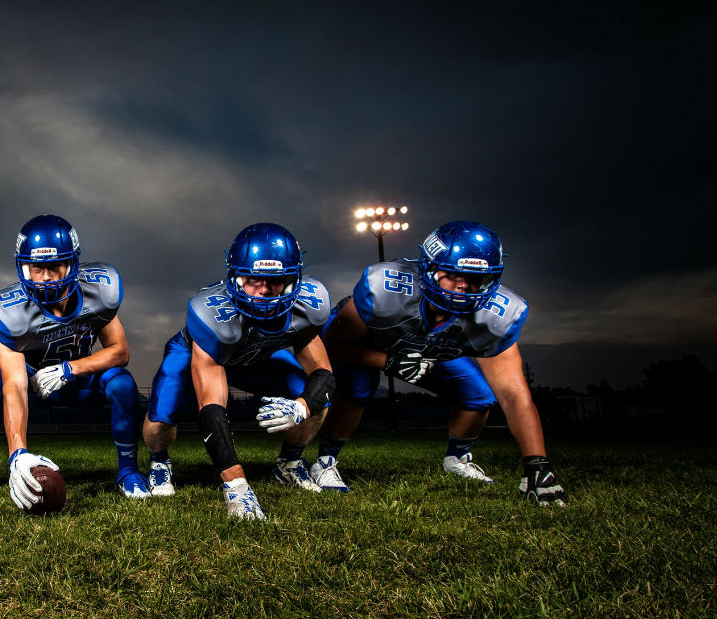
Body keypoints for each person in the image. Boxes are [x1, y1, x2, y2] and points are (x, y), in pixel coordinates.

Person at [304, 220, 567, 505]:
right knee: (358, 387)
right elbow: (333, 347)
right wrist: (388, 361)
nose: (464, 285)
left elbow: (514, 394)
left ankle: (457, 458)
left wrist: (537, 464)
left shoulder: (496, 317)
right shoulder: (385, 290)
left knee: (479, 396)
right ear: (430, 267)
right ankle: (326, 461)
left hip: (432, 351)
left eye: (476, 278)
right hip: (370, 345)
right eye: (454, 274)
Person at [141, 223, 337, 521]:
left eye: (276, 281)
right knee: (161, 419)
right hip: (199, 351)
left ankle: (289, 463)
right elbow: (211, 408)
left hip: (256, 357)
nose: (263, 291)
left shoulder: (309, 305)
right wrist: (237, 486)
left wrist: (302, 406)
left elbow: (324, 374)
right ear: (234, 277)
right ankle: (159, 462)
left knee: (317, 399)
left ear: (295, 279)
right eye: (252, 280)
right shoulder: (210, 314)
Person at [0, 214, 150, 510]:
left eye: (54, 267)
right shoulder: (9, 311)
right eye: (37, 268)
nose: (45, 277)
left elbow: (119, 351)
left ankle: (128, 471)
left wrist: (71, 369)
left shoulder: (96, 293)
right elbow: (14, 382)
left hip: (79, 375)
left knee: (123, 384)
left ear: (71, 264)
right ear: (24, 267)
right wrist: (18, 453)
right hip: (31, 376)